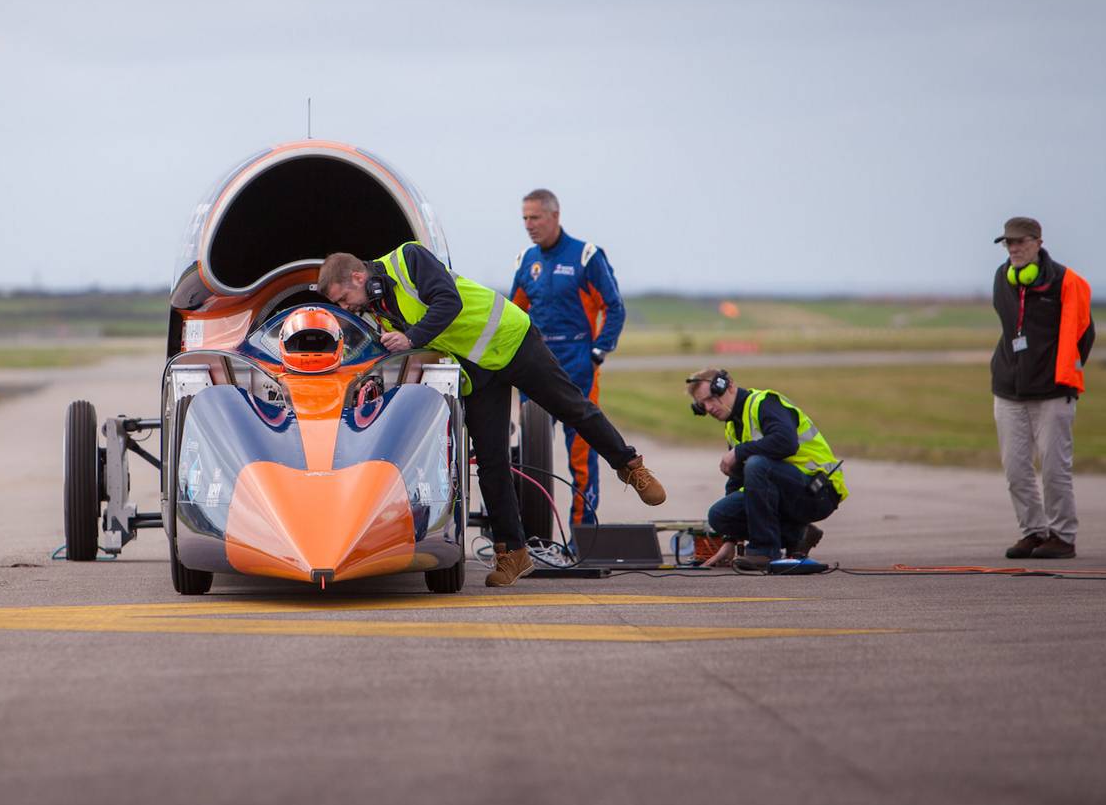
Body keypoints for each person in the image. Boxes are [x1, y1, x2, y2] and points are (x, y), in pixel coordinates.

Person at [317, 243, 666, 587]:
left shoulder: (408, 259)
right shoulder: (377, 307)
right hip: (478, 371)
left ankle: (630, 466)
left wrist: (412, 338)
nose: (346, 306)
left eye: (344, 297)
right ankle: (513, 553)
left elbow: (448, 302)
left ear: (359, 276)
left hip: (512, 342)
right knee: (491, 461)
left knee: (573, 408)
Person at [509, 188, 626, 529]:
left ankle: (582, 536)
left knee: (582, 457)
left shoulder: (586, 256)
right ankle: (536, 536)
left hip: (578, 367)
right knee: (532, 455)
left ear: (555, 216)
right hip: (536, 368)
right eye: (525, 219)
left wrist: (598, 351)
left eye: (536, 217)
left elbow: (614, 307)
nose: (530, 225)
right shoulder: (525, 261)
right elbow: (513, 315)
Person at [990, 217, 1094, 561]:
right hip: (1009, 389)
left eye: (1020, 242)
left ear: (1038, 242)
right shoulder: (1002, 279)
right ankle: (1033, 531)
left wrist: (1059, 372)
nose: (1014, 249)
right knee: (1015, 469)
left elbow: (1084, 334)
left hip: (1053, 391)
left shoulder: (1066, 282)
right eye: (1009, 243)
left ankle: (1062, 536)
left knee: (1054, 469)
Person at [685, 368, 846, 571]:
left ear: (730, 385)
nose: (709, 407)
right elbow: (737, 480)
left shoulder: (764, 403)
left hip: (818, 490)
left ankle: (764, 551)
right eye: (702, 404)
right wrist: (730, 540)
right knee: (720, 515)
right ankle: (796, 535)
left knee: (757, 465)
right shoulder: (733, 426)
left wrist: (739, 452)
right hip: (788, 492)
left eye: (712, 398)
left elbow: (786, 443)